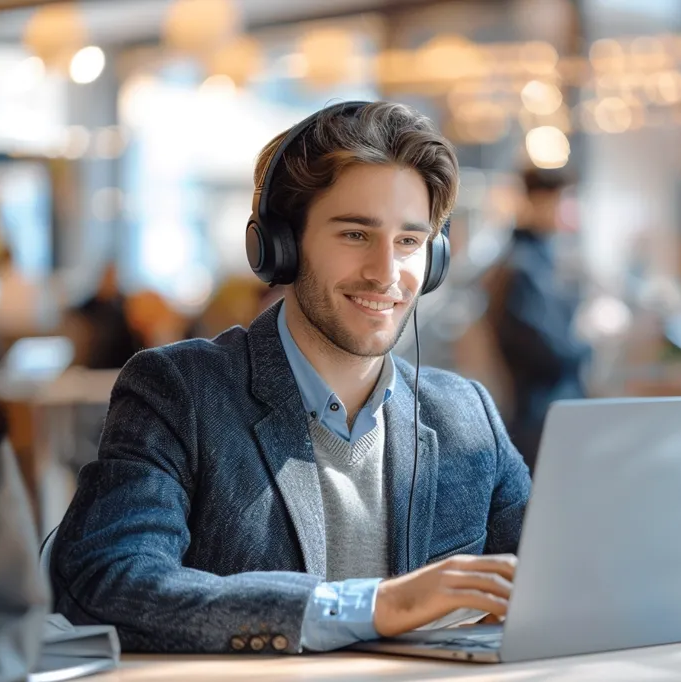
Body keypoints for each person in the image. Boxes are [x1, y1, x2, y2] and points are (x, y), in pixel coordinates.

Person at [48, 101, 531, 654]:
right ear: (280, 246)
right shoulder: (180, 391)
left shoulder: (467, 415)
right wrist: (376, 606)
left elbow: (556, 581)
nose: (386, 273)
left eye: (409, 242)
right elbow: (105, 581)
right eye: (355, 235)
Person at [485, 168, 591, 473]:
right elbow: (546, 352)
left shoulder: (542, 260)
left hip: (554, 412)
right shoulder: (522, 267)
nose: (569, 209)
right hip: (539, 420)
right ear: (540, 201)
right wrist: (588, 335)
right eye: (563, 200)